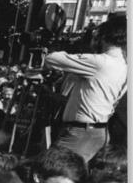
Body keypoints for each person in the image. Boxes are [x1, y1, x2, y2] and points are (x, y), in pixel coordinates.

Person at [44, 15, 127, 162]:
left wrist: (54, 48)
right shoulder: (123, 66)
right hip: (98, 131)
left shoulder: (100, 62)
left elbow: (52, 59)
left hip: (81, 132)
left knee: (51, 171)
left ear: (105, 36)